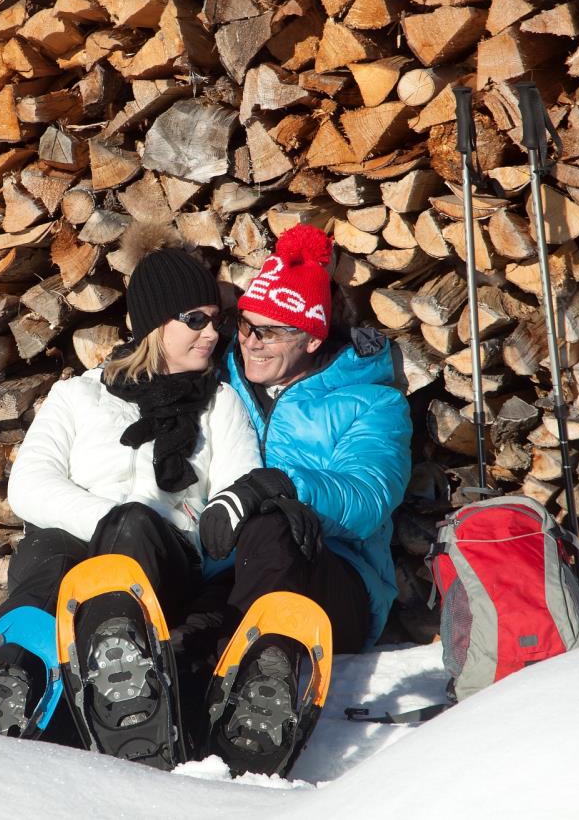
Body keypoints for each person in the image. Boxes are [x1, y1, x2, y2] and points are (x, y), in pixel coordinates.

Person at [0, 226, 263, 770]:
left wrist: (140, 527)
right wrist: (109, 523)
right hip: (71, 554)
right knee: (54, 556)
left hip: (167, 565)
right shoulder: (77, 397)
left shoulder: (219, 404)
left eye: (215, 321)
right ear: (155, 323)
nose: (211, 334)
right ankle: (5, 679)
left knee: (134, 528)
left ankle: (116, 679)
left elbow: (237, 493)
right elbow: (30, 485)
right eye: (195, 320)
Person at [197, 223, 413, 773]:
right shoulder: (222, 385)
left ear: (312, 339)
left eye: (270, 332)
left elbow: (369, 496)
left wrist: (282, 486)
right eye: (246, 325)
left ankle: (256, 699)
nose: (251, 342)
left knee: (272, 526)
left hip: (336, 579)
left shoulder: (371, 402)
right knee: (193, 624)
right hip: (231, 567)